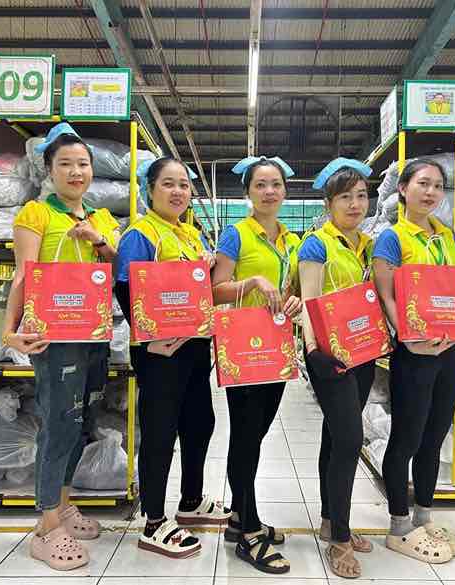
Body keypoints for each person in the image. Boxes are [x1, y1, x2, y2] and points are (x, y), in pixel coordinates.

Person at [2, 122, 120, 571]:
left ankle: (64, 504)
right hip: (54, 338)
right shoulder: (36, 214)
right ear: (48, 170)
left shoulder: (101, 218)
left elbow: (123, 267)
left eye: (83, 164)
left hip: (92, 335)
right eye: (65, 164)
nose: (76, 172)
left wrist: (98, 241)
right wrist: (9, 330)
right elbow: (23, 274)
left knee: (83, 421)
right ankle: (46, 525)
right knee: (58, 424)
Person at [113, 156, 230, 559]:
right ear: (150, 189)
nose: (178, 191)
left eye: (183, 184)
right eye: (168, 183)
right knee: (160, 432)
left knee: (200, 423)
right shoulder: (140, 234)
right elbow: (125, 288)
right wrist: (147, 341)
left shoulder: (190, 235)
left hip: (195, 346)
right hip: (161, 351)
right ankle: (153, 521)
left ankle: (192, 501)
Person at [372, 159, 455, 564]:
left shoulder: (450, 237)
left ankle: (424, 516)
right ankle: (399, 525)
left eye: (437, 186)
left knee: (435, 438)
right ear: (403, 189)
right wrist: (408, 338)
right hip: (414, 354)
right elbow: (385, 297)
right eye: (422, 183)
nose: (431, 192)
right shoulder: (392, 238)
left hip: (450, 351)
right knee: (407, 437)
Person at [211, 156, 302, 574]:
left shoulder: (291, 240)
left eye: (276, 185)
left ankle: (238, 516)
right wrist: (251, 282)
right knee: (246, 436)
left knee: (258, 434)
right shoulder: (236, 235)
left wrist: (294, 299)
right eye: (261, 185)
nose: (269, 192)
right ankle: (247, 531)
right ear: (248, 193)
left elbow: (293, 290)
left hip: (277, 348)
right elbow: (215, 290)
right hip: (244, 348)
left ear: (285, 191)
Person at [297, 157, 379, 579]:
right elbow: (309, 299)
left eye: (361, 195)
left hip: (363, 354)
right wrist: (315, 353)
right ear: (329, 202)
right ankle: (340, 539)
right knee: (350, 439)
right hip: (330, 357)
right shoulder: (317, 243)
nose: (355, 203)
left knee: (335, 436)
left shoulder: (366, 244)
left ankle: (331, 518)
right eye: (345, 196)